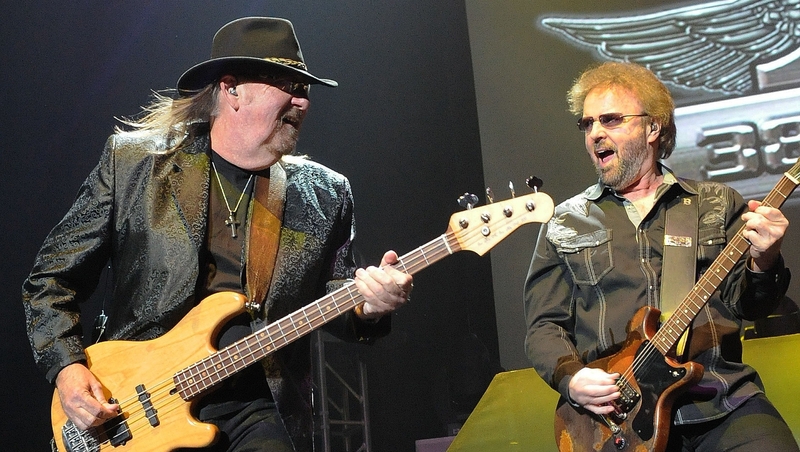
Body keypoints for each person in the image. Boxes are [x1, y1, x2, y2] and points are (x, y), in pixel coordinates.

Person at [22, 17, 412, 452]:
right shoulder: (136, 165)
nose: (301, 103)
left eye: (305, 92)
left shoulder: (325, 193)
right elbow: (50, 281)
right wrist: (68, 369)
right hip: (136, 405)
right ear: (231, 89)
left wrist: (370, 305)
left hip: (258, 402)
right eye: (288, 86)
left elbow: (334, 295)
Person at [524, 61, 798, 450]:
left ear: (653, 127)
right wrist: (572, 379)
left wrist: (765, 260)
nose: (596, 133)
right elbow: (544, 326)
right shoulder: (565, 222)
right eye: (587, 124)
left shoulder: (715, 203)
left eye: (611, 119)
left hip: (719, 398)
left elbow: (752, 306)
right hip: (619, 419)